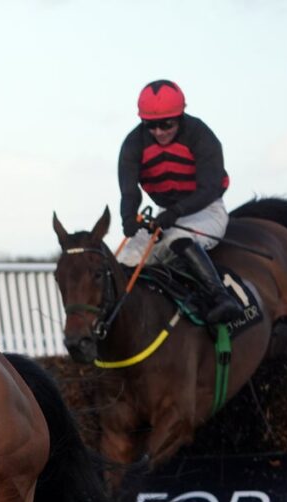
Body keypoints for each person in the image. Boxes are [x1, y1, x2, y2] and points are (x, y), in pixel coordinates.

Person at [117, 79, 243, 324]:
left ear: (180, 116)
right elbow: (129, 190)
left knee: (177, 239)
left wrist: (177, 211)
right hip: (167, 214)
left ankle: (222, 298)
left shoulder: (201, 136)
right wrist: (127, 218)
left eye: (166, 124)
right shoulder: (133, 144)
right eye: (151, 125)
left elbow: (210, 187)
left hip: (207, 209)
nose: (159, 132)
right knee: (126, 258)